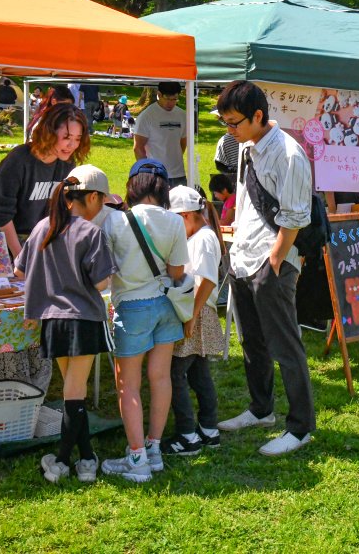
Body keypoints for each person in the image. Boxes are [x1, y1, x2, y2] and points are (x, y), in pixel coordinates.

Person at [214, 81, 316, 457]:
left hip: (272, 260)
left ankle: (300, 426)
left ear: (258, 116)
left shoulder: (290, 154)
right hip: (243, 255)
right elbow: (245, 199)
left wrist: (275, 260)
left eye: (234, 122)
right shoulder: (244, 147)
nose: (229, 130)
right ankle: (261, 409)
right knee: (251, 341)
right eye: (225, 122)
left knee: (285, 344)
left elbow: (295, 215)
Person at [17, 165, 116, 484]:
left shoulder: (42, 227)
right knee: (75, 394)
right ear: (90, 197)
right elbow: (101, 283)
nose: (102, 206)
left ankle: (86, 457)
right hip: (83, 319)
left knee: (73, 393)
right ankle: (62, 460)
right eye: (101, 200)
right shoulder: (91, 233)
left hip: (51, 321)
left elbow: (21, 272)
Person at [0, 103, 90, 391]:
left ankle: (31, 377)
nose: (71, 145)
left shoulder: (66, 166)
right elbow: (0, 209)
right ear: (49, 130)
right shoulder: (20, 158)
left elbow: (61, 211)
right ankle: (0, 377)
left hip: (34, 245)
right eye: (67, 137)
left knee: (32, 309)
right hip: (1, 243)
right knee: (3, 310)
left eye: (77, 139)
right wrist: (20, 255)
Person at [97, 159, 189, 483]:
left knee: (129, 384)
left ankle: (136, 459)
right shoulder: (175, 221)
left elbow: (104, 272)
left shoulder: (115, 221)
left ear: (133, 184)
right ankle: (153, 449)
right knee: (160, 378)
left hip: (132, 306)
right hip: (166, 305)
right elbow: (178, 273)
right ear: (164, 187)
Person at [162, 186, 227, 456]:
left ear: (186, 215)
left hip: (197, 314)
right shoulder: (202, 235)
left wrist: (191, 316)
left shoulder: (203, 238)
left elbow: (208, 280)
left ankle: (187, 434)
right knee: (199, 373)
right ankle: (209, 428)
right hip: (196, 313)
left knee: (175, 373)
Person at [134, 81, 187, 187]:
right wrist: (147, 172)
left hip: (178, 174)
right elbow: (138, 148)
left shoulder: (182, 115)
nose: (170, 103)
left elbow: (183, 142)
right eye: (167, 99)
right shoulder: (147, 116)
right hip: (155, 174)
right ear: (159, 95)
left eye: (174, 99)